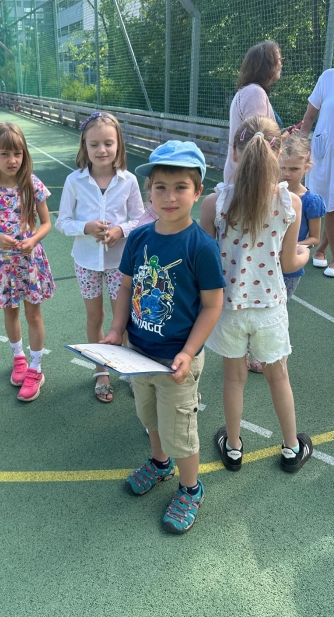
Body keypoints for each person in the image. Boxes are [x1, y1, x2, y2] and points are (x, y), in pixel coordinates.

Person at [101, 141, 225, 534]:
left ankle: (190, 488)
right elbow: (125, 288)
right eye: (161, 188)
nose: (170, 197)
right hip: (138, 354)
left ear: (198, 191)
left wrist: (189, 351)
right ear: (149, 192)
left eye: (180, 187)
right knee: (149, 417)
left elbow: (212, 306)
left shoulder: (201, 246)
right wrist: (117, 329)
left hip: (176, 362)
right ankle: (159, 464)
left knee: (181, 432)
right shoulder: (139, 238)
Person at [200, 116, 313, 475]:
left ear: (234, 152)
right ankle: (292, 447)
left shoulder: (214, 203)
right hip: (269, 306)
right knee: (279, 376)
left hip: (229, 307)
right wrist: (307, 252)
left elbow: (204, 262)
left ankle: (233, 448)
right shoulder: (290, 203)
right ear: (277, 153)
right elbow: (289, 262)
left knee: (234, 378)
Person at [56, 112, 144, 402]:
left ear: (119, 144)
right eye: (94, 144)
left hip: (121, 263)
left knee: (124, 317)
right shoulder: (74, 181)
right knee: (96, 317)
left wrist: (121, 230)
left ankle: (127, 368)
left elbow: (141, 219)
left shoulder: (129, 181)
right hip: (86, 263)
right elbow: (62, 222)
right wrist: (86, 227)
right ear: (85, 146)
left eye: (108, 143)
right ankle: (101, 369)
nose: (101, 150)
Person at [0, 122, 55, 402]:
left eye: (17, 153)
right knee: (10, 313)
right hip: (2, 264)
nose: (12, 160)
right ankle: (18, 358)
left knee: (33, 315)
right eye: (4, 154)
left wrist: (33, 240)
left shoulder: (32, 184)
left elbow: (46, 223)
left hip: (29, 261)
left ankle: (35, 368)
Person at [224, 41, 284, 184]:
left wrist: (282, 136)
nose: (281, 64)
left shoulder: (250, 91)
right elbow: (255, 144)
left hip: (245, 179)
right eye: (279, 59)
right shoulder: (255, 93)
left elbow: (258, 137)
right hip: (250, 181)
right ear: (268, 64)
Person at [279, 134, 326, 297]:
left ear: (306, 167)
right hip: (264, 262)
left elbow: (314, 238)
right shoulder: (268, 193)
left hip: (290, 268)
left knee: (282, 307)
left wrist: (293, 245)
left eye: (294, 169)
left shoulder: (311, 201)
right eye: (282, 168)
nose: (286, 173)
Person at [299, 68, 334, 276]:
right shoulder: (328, 77)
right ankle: (323, 251)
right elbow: (310, 116)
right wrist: (301, 147)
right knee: (328, 204)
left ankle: (322, 249)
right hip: (325, 151)